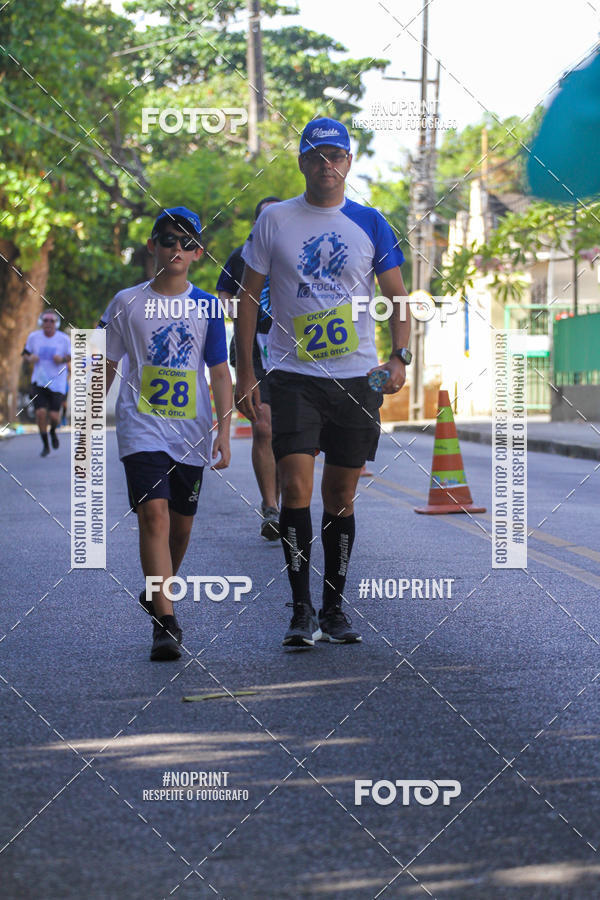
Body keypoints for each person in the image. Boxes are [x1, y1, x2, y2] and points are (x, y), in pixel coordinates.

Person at [235, 117, 411, 648]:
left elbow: (398, 297)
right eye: (316, 156)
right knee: (295, 489)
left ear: (349, 163)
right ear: (302, 163)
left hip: (357, 378)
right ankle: (300, 610)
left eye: (335, 156)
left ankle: (333, 608)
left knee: (340, 496)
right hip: (293, 377)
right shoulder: (275, 220)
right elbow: (248, 298)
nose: (326, 165)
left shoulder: (371, 222)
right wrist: (246, 371)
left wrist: (400, 357)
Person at [101, 206, 232, 661]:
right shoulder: (126, 302)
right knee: (153, 516)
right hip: (140, 427)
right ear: (153, 246)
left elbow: (219, 372)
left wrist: (224, 430)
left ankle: (159, 589)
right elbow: (107, 363)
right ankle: (166, 622)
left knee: (180, 525)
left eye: (187, 242)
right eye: (169, 240)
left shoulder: (207, 306)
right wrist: (86, 419)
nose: (178, 248)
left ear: (197, 253)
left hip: (191, 432)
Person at [217, 196, 281, 541]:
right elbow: (225, 293)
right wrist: (237, 311)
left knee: (289, 433)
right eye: (265, 217)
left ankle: (287, 501)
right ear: (257, 223)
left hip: (294, 350)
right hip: (253, 349)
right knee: (264, 428)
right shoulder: (242, 255)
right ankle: (271, 507)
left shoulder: (296, 251)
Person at [22, 310, 71, 457]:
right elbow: (25, 353)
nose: (48, 323)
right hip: (39, 381)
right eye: (45, 320)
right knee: (40, 413)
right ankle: (45, 445)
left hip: (57, 382)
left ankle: (53, 431)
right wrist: (30, 359)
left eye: (52, 321)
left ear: (56, 323)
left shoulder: (63, 339)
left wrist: (61, 360)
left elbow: (70, 356)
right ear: (41, 323)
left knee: (54, 416)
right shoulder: (34, 337)